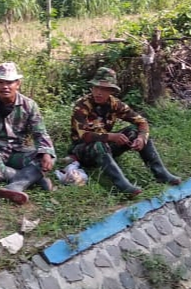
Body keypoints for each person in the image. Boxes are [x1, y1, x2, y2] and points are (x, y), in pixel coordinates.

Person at [69, 67, 181, 197]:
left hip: (105, 147)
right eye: (96, 88)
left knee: (134, 131)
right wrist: (111, 137)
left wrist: (142, 137)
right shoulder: (82, 105)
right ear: (92, 88)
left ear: (111, 91)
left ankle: (161, 174)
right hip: (82, 150)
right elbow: (84, 136)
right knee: (98, 144)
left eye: (104, 89)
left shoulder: (114, 104)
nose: (99, 92)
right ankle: (123, 187)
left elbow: (141, 122)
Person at [0, 62, 56, 205]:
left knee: (48, 156)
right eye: (0, 82)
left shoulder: (29, 105)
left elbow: (40, 132)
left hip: (18, 151)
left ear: (17, 84)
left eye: (9, 82)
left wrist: (46, 153)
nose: (5, 86)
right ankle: (32, 179)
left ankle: (15, 185)